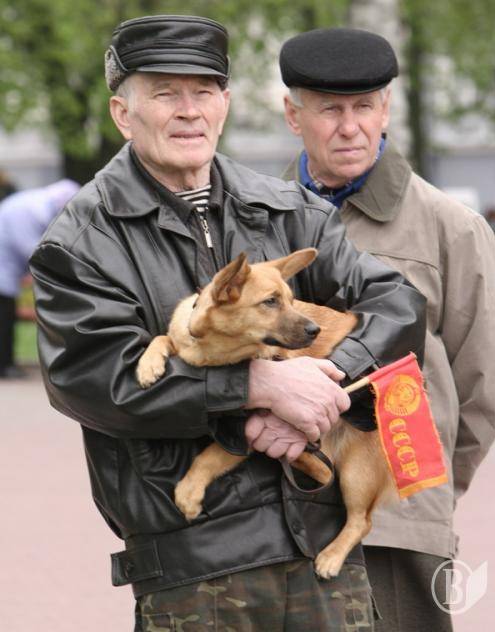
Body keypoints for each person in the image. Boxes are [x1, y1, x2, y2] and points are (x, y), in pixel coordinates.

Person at [29, 16, 426, 631]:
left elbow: (398, 304)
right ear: (122, 114)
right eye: (165, 93)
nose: (189, 111)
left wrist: (326, 381)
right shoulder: (82, 241)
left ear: (226, 105)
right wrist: (254, 388)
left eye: (204, 92)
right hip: (196, 563)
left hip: (321, 547)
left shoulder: (290, 208)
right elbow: (97, 381)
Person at [279, 27, 495, 632]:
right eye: (330, 110)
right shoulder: (254, 218)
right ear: (293, 116)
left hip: (397, 520)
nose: (350, 127)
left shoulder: (451, 227)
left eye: (365, 107)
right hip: (271, 518)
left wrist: (417, 491)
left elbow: (482, 388)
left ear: (386, 110)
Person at [0, 179, 79, 378]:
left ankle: (7, 363)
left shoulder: (34, 203)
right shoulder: (33, 210)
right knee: (4, 317)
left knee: (6, 316)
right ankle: (4, 365)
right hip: (4, 270)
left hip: (6, 269)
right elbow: (33, 251)